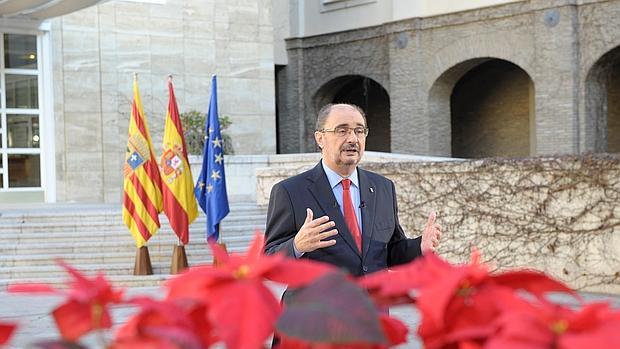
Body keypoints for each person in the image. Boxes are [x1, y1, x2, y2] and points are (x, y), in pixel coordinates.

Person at [264, 103, 442, 277]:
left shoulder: (383, 188)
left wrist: (420, 247)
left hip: (372, 304)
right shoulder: (290, 191)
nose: (352, 139)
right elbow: (267, 262)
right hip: (318, 305)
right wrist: (296, 246)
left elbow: (390, 253)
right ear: (320, 139)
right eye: (342, 130)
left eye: (359, 131)